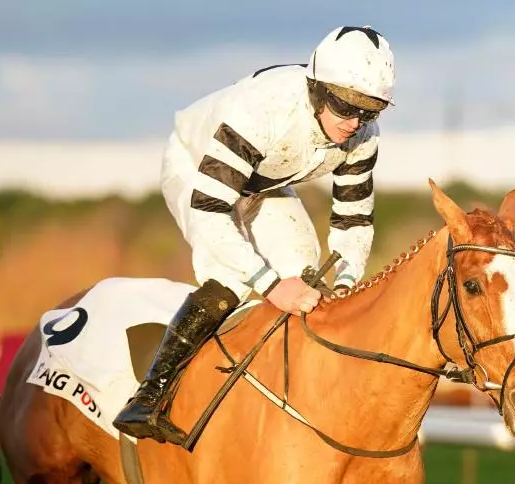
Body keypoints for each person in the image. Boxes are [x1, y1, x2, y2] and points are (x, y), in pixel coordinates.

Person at [113, 25, 394, 444]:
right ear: (317, 90)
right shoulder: (263, 109)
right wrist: (270, 285)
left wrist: (347, 283)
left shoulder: (363, 135)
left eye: (370, 110)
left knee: (305, 272)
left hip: (262, 182)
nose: (355, 123)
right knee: (231, 276)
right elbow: (210, 210)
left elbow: (353, 220)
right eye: (344, 106)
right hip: (196, 169)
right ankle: (148, 396)